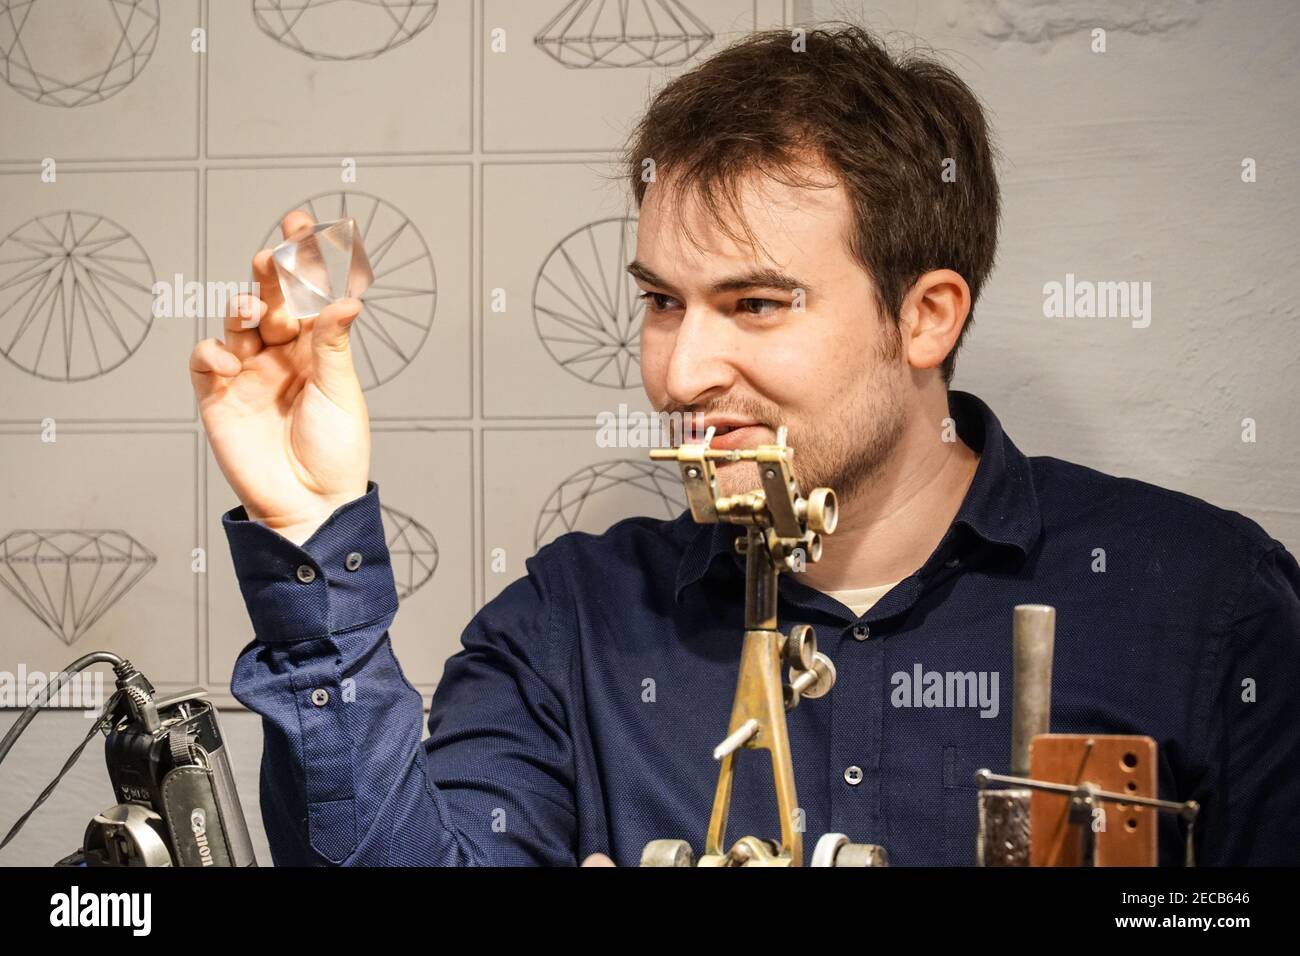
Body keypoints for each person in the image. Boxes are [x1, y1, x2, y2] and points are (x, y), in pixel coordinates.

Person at [188, 26, 1300, 866]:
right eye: (662, 302)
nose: (677, 373)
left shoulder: (1206, 603)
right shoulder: (566, 628)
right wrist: (310, 535)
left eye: (756, 304)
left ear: (926, 316)